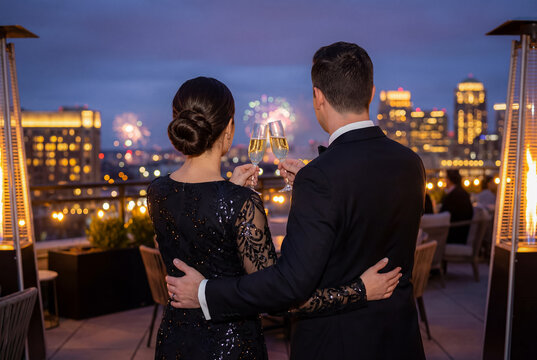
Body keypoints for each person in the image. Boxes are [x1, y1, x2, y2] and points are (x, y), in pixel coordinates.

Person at [166, 43, 426, 360]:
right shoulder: (410, 163)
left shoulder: (320, 178)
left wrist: (205, 293)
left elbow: (289, 286)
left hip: (337, 345)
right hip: (400, 340)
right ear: (371, 93)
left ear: (318, 97)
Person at [441, 169, 474, 244]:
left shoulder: (454, 195)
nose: (444, 181)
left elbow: (445, 215)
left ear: (449, 180)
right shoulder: (462, 193)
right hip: (462, 231)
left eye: (445, 178)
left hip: (455, 235)